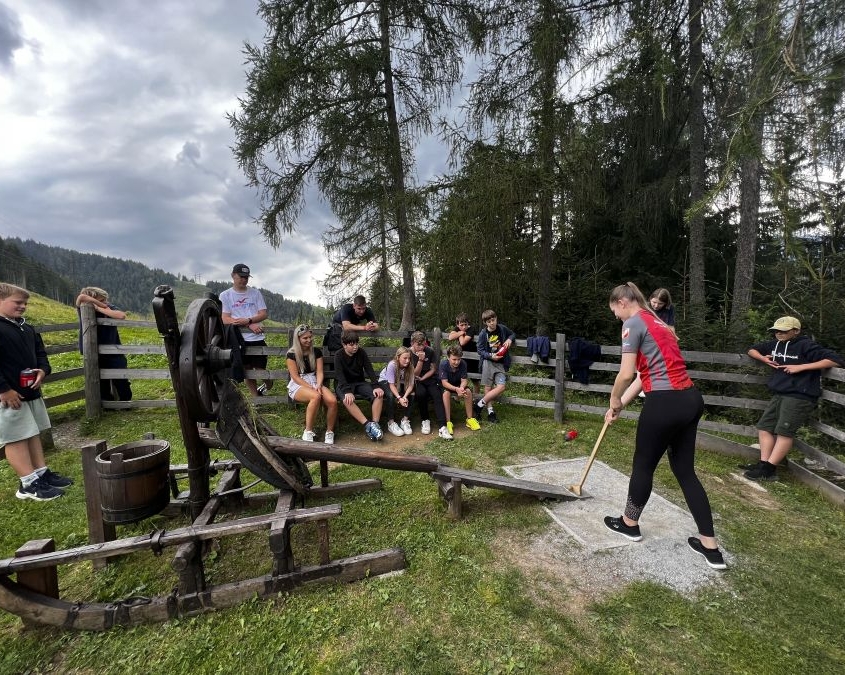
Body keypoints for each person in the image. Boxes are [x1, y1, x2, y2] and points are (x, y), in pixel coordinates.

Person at [603, 282, 727, 570]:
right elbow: (642, 376)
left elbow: (625, 373)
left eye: (616, 313)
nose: (618, 320)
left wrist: (613, 397)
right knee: (685, 472)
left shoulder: (633, 323)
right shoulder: (657, 322)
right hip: (690, 399)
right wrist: (618, 406)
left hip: (665, 403)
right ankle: (710, 547)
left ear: (622, 303)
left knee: (643, 466)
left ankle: (629, 523)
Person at [744, 316, 844, 481]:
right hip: (779, 392)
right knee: (764, 427)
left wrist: (801, 367)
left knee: (784, 432)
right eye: (776, 330)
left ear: (796, 331)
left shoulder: (806, 345)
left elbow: (835, 360)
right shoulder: (775, 344)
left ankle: (769, 470)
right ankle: (763, 464)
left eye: (784, 331)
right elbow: (751, 349)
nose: (779, 334)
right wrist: (763, 359)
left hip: (799, 395)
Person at [0, 283, 73, 501]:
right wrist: (3, 389)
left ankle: (41, 473)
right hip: (9, 397)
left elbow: (40, 354)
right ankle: (28, 484)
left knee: (32, 432)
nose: (23, 307)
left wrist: (43, 370)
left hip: (29, 393)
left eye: (25, 303)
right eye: (17, 302)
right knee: (16, 438)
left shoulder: (27, 328)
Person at [220, 264, 271, 397]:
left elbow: (263, 314)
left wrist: (249, 320)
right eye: (241, 277)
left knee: (260, 369)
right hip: (237, 338)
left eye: (246, 277)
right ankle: (256, 399)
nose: (244, 280)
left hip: (257, 337)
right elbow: (225, 318)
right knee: (247, 370)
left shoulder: (255, 293)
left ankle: (269, 383)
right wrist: (247, 324)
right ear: (233, 276)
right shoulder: (225, 295)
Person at [76, 286, 133, 401]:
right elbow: (81, 297)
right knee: (100, 382)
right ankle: (108, 405)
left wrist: (100, 307)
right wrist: (98, 305)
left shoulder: (108, 307)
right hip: (93, 352)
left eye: (105, 300)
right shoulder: (83, 308)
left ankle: (125, 403)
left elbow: (121, 316)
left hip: (114, 351)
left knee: (121, 378)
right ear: (91, 299)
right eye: (102, 300)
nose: (105, 302)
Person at [286, 324, 337, 444]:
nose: (308, 340)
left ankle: (329, 432)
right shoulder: (291, 355)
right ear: (298, 339)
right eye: (305, 338)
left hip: (314, 381)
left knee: (332, 401)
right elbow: (295, 377)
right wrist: (312, 388)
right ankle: (308, 431)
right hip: (299, 384)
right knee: (316, 396)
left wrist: (318, 385)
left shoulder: (316, 352)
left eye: (310, 337)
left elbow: (319, 372)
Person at [334, 330, 384, 441]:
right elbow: (340, 375)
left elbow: (369, 369)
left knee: (378, 395)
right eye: (352, 345)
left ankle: (375, 425)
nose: (355, 347)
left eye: (356, 344)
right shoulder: (338, 355)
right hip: (343, 385)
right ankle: (367, 425)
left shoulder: (361, 352)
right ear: (344, 345)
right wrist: (347, 391)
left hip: (359, 382)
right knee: (348, 400)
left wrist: (376, 385)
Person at [475, 309, 516, 423]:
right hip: (488, 362)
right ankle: (490, 412)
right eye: (489, 322)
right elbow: (480, 350)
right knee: (487, 387)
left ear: (496, 318)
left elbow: (513, 334)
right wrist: (490, 355)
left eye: (493, 320)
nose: (492, 323)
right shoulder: (484, 334)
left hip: (501, 363)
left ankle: (479, 404)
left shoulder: (502, 328)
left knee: (501, 386)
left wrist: (509, 339)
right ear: (485, 323)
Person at [410, 331, 452, 439]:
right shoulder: (408, 353)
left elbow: (433, 369)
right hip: (415, 379)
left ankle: (442, 426)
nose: (421, 347)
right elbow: (415, 374)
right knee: (421, 394)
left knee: (437, 395)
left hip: (429, 378)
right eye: (418, 345)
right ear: (412, 343)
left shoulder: (429, 351)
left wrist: (424, 377)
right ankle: (425, 420)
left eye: (423, 344)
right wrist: (420, 360)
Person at [439, 344, 481, 434]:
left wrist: (461, 388)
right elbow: (444, 383)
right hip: (448, 385)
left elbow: (464, 380)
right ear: (448, 357)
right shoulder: (443, 364)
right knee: (446, 394)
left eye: (458, 359)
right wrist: (456, 389)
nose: (456, 362)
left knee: (468, 391)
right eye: (454, 359)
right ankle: (448, 422)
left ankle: (470, 419)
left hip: (458, 384)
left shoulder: (463, 364)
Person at [378, 347, 416, 437]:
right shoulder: (392, 365)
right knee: (390, 395)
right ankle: (391, 423)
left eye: (409, 358)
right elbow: (391, 385)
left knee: (412, 393)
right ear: (398, 357)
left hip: (400, 383)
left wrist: (405, 397)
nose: (407, 361)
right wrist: (399, 398)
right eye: (405, 358)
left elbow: (411, 385)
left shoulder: (410, 366)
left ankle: (405, 420)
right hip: (386, 381)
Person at [447, 313, 480, 393]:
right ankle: (458, 395)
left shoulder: (471, 329)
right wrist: (461, 333)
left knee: (475, 381)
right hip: (461, 357)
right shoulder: (458, 329)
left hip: (473, 358)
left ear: (468, 323)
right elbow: (450, 337)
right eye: (461, 325)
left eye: (465, 324)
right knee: (459, 378)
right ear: (457, 325)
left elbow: (462, 342)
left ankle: (475, 399)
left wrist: (459, 334)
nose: (464, 327)